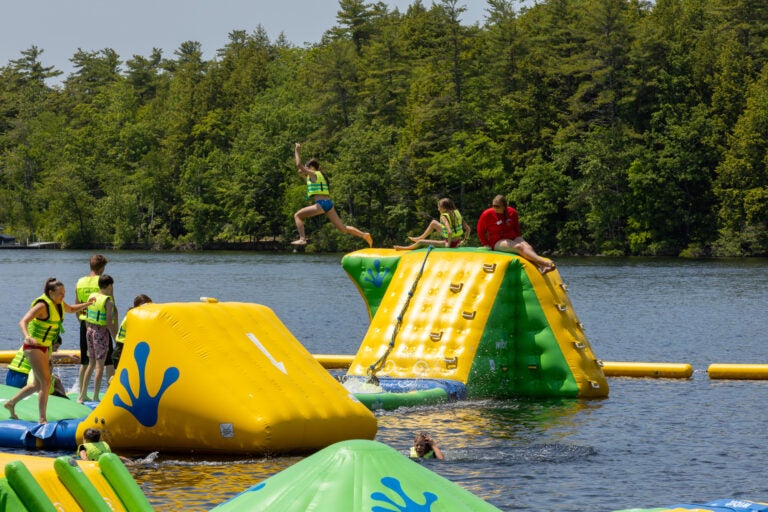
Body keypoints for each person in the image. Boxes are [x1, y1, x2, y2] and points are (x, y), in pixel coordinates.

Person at [3, 278, 93, 424]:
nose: (63, 296)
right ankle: (42, 419)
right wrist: (27, 337)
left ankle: (11, 403)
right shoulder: (42, 305)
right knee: (45, 382)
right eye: (60, 293)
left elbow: (71, 309)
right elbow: (23, 321)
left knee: (37, 385)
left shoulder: (58, 304)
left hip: (45, 347)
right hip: (33, 347)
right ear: (50, 292)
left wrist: (88, 304)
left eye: (64, 293)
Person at [291, 143, 373, 248]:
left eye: (307, 167)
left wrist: (297, 150)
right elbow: (306, 179)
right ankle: (364, 235)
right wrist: (302, 173)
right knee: (342, 228)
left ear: (312, 167)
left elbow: (299, 165)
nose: (305, 169)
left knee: (297, 215)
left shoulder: (314, 173)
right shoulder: (316, 176)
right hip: (329, 204)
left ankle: (302, 239)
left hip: (321, 204)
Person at [477, 194, 556, 274]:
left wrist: (519, 239)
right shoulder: (487, 214)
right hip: (497, 240)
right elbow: (480, 230)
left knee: (528, 246)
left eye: (497, 206)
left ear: (504, 206)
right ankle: (545, 263)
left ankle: (542, 266)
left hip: (512, 237)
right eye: (493, 206)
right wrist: (486, 244)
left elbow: (517, 229)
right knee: (519, 247)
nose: (494, 208)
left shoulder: (512, 212)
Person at [75, 255, 112, 396]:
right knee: (108, 360)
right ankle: (110, 392)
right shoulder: (103, 281)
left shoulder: (80, 282)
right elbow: (111, 306)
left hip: (85, 323)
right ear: (102, 268)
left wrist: (82, 323)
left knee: (86, 360)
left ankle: (81, 392)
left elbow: (77, 306)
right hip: (101, 324)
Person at [78, 274, 118, 403]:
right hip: (101, 333)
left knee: (91, 363)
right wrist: (115, 338)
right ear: (109, 286)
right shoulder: (108, 301)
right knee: (100, 366)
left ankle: (82, 394)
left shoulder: (92, 296)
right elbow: (109, 323)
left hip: (89, 331)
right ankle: (95, 396)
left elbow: (86, 315)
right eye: (112, 286)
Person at [395, 198, 471, 250]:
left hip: (450, 243)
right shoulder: (456, 213)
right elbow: (468, 229)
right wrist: (464, 241)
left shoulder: (444, 217)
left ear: (444, 208)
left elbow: (449, 232)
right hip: (457, 241)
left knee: (421, 243)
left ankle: (404, 248)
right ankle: (419, 237)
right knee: (433, 223)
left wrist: (448, 245)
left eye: (439, 207)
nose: (438, 209)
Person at [112, 294, 153, 369]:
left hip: (120, 349)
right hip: (121, 351)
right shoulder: (134, 316)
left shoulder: (132, 314)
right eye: (147, 307)